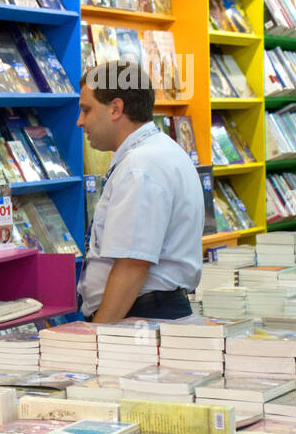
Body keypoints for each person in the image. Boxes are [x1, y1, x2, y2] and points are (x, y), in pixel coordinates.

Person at [76, 60, 202, 322]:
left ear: (115, 109)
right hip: (147, 313)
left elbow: (132, 267)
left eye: (86, 110)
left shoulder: (141, 166)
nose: (80, 122)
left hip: (140, 316)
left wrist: (97, 339)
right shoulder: (158, 151)